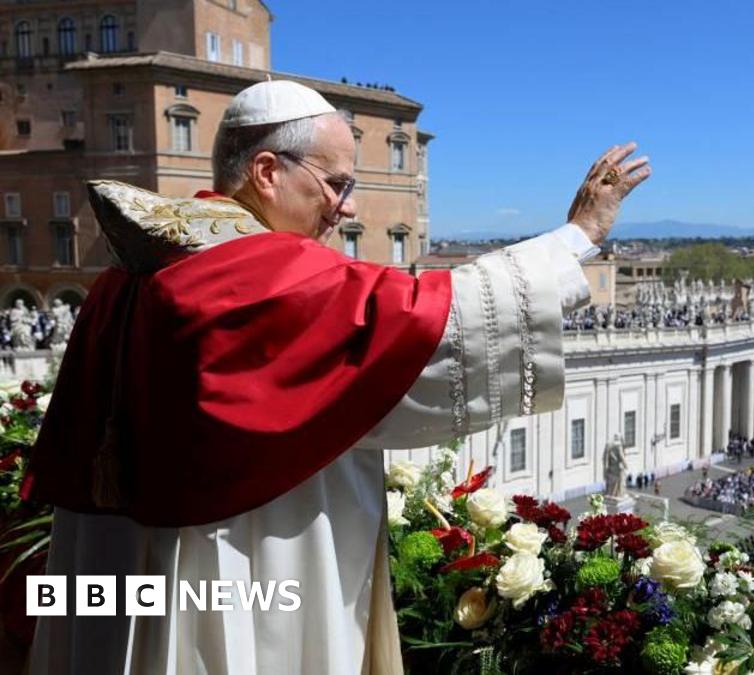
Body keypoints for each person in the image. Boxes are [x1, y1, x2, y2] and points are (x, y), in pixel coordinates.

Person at [24, 80, 651, 675]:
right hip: (236, 564)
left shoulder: (133, 268)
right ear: (268, 172)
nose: (345, 209)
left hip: (117, 562)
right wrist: (579, 236)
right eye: (335, 184)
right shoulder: (253, 269)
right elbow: (426, 319)